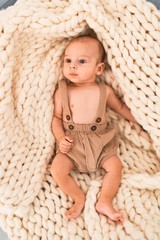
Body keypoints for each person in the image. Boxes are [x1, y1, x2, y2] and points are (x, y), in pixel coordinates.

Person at [51, 35, 137, 222]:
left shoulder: (104, 91)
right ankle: (78, 198)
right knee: (57, 169)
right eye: (68, 60)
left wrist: (141, 121)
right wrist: (60, 138)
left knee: (115, 166)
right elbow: (56, 118)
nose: (72, 66)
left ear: (99, 69)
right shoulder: (62, 91)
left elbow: (121, 109)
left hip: (100, 141)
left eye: (81, 61)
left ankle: (104, 201)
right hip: (72, 143)